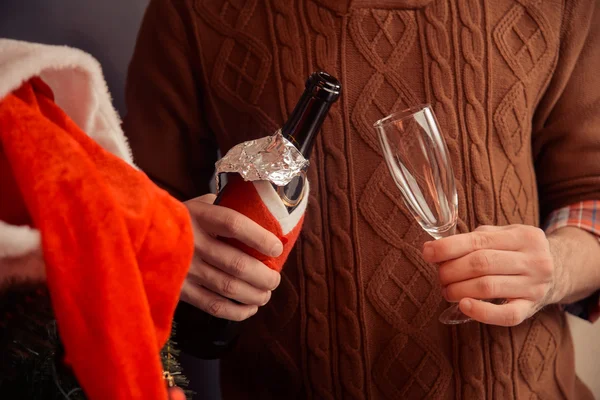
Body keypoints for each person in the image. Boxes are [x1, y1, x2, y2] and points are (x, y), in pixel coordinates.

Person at [123, 0, 600, 398]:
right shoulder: (192, 10)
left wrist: (558, 266)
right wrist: (168, 240)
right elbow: (131, 211)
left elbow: (591, 194)